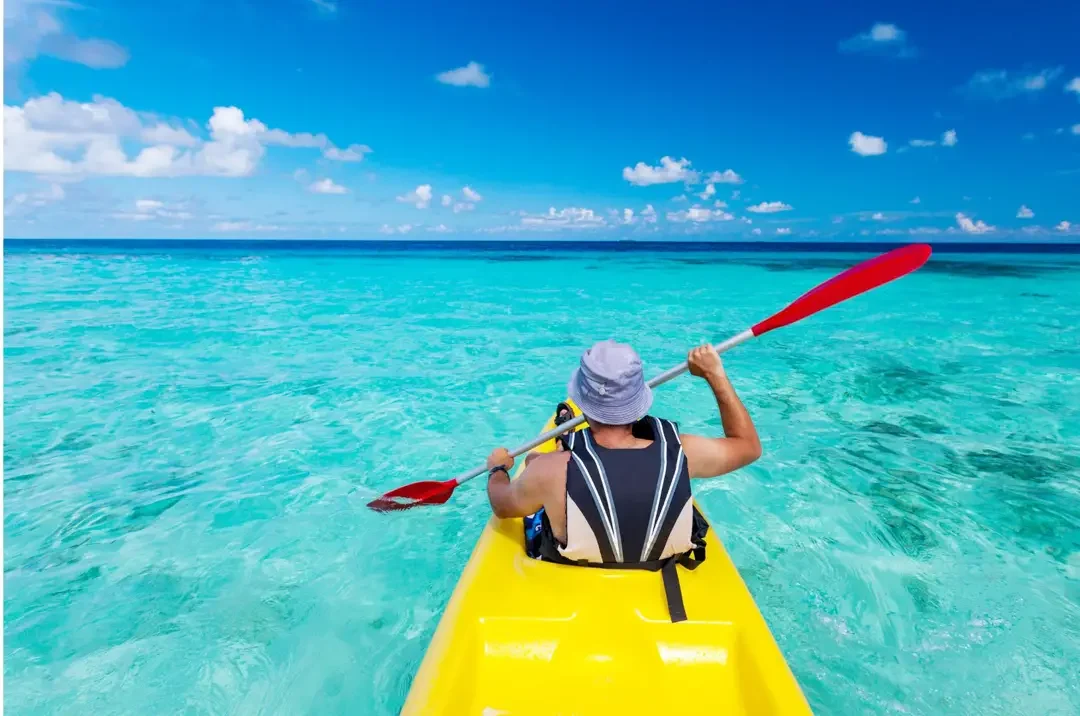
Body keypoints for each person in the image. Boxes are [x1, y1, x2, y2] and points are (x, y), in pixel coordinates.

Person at [485, 339, 761, 570]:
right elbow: (748, 447)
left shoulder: (549, 471)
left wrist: (498, 470)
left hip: (572, 571)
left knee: (539, 470)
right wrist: (715, 374)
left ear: (582, 402)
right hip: (661, 572)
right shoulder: (685, 453)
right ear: (639, 400)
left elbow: (502, 506)